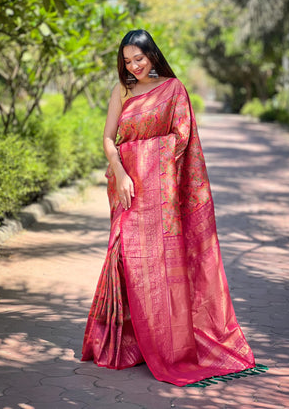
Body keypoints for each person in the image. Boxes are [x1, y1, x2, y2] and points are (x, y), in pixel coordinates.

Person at [81, 29, 255, 386]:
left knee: (162, 265)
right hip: (128, 188)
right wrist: (121, 172)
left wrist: (150, 163)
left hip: (161, 191)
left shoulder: (173, 89)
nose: (134, 66)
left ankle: (165, 343)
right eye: (127, 61)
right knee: (125, 259)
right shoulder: (122, 90)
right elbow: (108, 139)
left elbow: (182, 137)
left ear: (152, 55)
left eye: (139, 59)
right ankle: (127, 341)